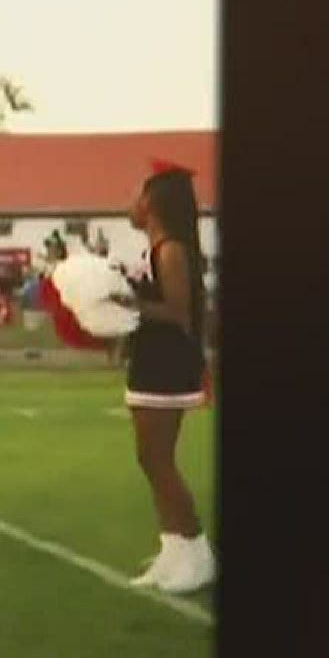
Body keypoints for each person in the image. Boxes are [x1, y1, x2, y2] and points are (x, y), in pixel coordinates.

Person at [119, 161, 216, 594]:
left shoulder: (171, 249)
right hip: (152, 361)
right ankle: (173, 547)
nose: (131, 203)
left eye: (139, 194)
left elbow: (179, 313)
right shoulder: (157, 247)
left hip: (168, 364)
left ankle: (198, 552)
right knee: (149, 458)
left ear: (154, 203)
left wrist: (126, 302)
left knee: (159, 460)